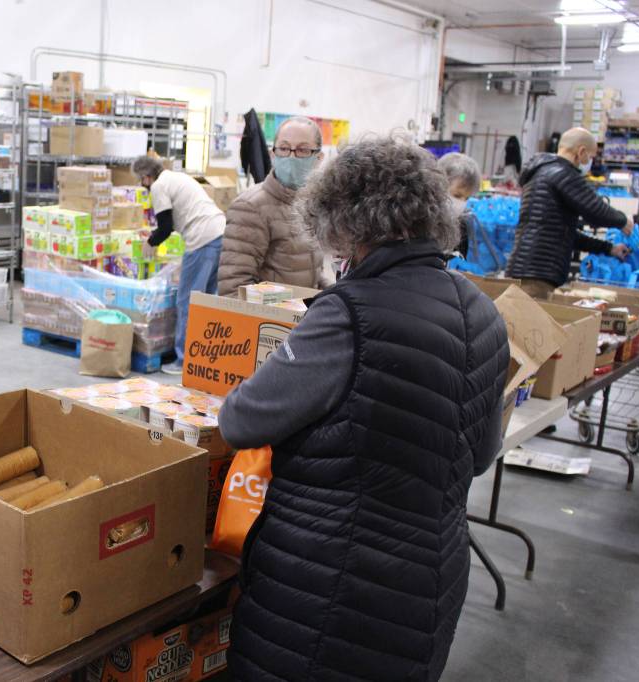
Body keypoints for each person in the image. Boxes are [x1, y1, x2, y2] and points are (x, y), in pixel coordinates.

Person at [218, 136, 509, 682]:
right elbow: (480, 454)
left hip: (325, 591)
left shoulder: (350, 315)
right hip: (430, 583)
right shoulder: (483, 313)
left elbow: (241, 420)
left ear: (347, 222)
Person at [506, 127, 632, 298]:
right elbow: (595, 210)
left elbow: (565, 233)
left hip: (525, 267)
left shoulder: (542, 172)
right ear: (581, 151)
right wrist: (623, 221)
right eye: (590, 156)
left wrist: (609, 248)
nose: (589, 162)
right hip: (538, 272)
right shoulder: (563, 173)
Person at [218, 117, 333, 295]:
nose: (291, 157)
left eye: (302, 150)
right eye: (284, 148)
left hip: (301, 317)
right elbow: (234, 288)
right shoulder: (251, 207)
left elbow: (309, 270)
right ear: (273, 155)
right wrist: (285, 311)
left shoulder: (311, 204)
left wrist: (329, 294)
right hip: (271, 320)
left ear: (318, 158)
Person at [132, 156, 225, 375]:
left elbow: (165, 227)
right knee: (206, 300)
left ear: (146, 177)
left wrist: (151, 242)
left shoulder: (158, 186)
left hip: (201, 238)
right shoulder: (175, 177)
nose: (142, 185)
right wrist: (154, 235)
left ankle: (183, 360)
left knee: (187, 300)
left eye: (141, 180)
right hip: (220, 232)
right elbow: (173, 221)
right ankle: (203, 355)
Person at [438, 151, 482, 259]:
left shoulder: (461, 226)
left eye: (466, 198)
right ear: (438, 185)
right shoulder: (419, 221)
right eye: (457, 195)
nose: (461, 203)